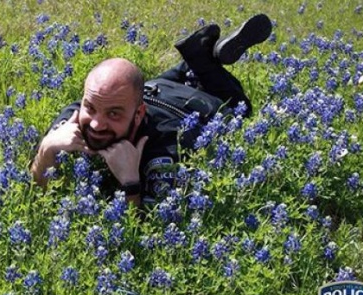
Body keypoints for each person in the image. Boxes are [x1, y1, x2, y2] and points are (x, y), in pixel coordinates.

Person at [30, 14, 272, 206]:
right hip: (154, 89)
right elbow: (39, 189)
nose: (95, 123)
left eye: (113, 114)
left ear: (138, 114)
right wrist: (47, 148)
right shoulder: (76, 117)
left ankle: (204, 61)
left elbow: (147, 227)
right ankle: (198, 57)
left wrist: (131, 182)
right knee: (155, 83)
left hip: (193, 106)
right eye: (90, 108)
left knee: (242, 110)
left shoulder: (167, 146)